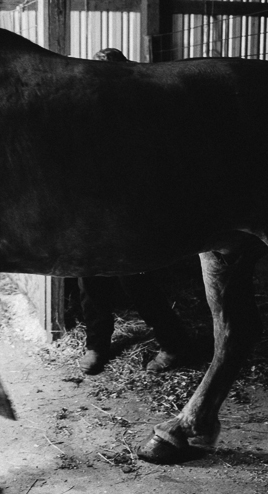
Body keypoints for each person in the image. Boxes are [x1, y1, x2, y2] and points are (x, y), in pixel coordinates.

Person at [77, 48, 198, 375]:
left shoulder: (140, 113)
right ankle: (96, 345)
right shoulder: (87, 113)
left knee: (138, 285)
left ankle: (174, 344)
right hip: (94, 212)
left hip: (130, 216)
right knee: (90, 282)